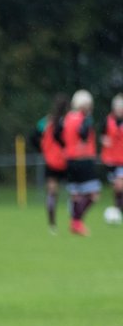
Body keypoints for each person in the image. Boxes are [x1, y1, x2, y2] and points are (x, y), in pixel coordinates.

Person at [62, 89, 99, 236]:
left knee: (76, 194)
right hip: (83, 159)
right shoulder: (83, 118)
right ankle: (76, 221)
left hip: (70, 160)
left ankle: (75, 220)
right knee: (93, 194)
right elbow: (83, 134)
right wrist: (88, 121)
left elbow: (60, 134)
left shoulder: (67, 117)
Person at [34, 95, 69, 232]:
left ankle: (52, 225)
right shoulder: (69, 121)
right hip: (67, 161)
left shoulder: (46, 121)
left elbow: (33, 137)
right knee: (75, 190)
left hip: (52, 161)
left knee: (52, 192)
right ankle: (76, 220)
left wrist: (43, 150)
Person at [100, 94, 123, 218]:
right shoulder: (107, 120)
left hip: (122, 159)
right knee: (116, 187)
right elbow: (102, 135)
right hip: (110, 159)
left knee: (120, 185)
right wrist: (104, 140)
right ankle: (118, 208)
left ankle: (117, 209)